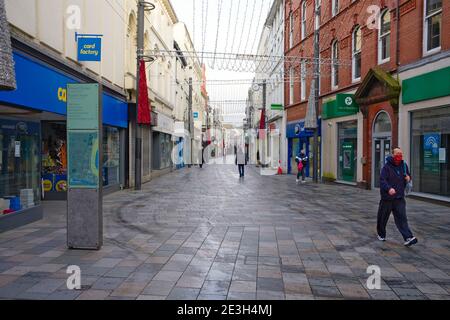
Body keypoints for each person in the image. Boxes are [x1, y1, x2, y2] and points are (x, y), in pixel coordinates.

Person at [377, 147, 418, 247]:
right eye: (397, 154)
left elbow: (407, 175)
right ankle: (381, 234)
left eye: (401, 154)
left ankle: (408, 237)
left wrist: (409, 178)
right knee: (383, 218)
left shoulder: (404, 165)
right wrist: (389, 189)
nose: (399, 156)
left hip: (399, 197)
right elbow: (382, 180)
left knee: (402, 218)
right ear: (392, 155)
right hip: (387, 198)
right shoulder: (386, 167)